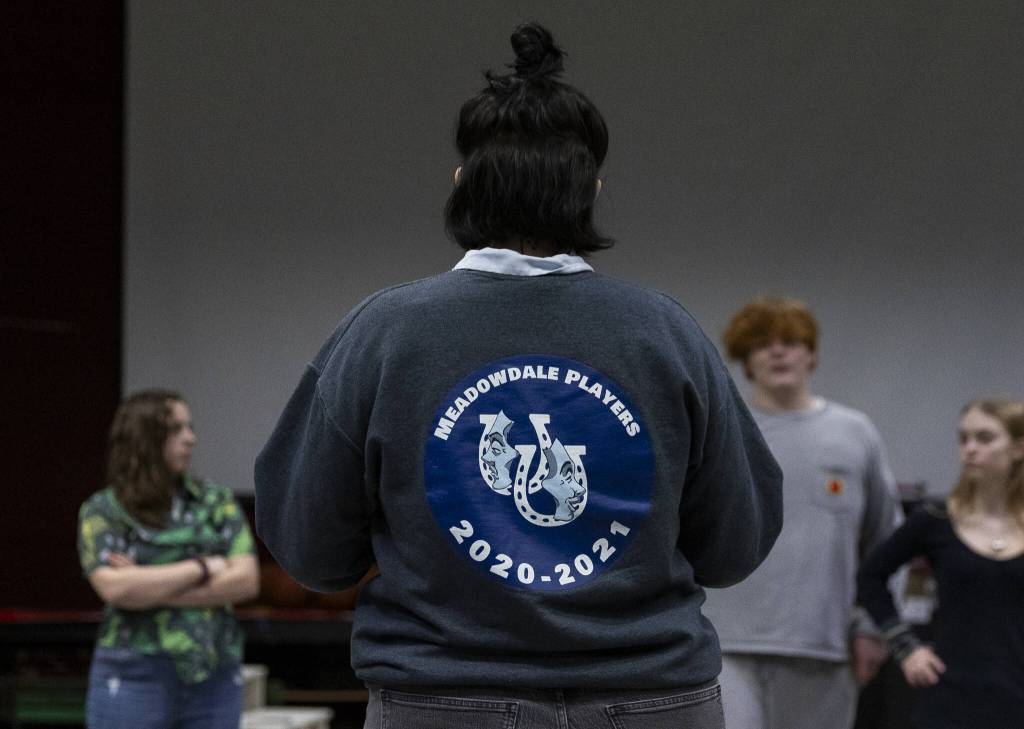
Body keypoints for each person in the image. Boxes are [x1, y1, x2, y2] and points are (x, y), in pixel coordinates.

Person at [254, 22, 782, 729]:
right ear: (590, 188)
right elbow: (736, 544)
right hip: (651, 697)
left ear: (461, 183)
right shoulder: (666, 332)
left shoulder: (382, 332)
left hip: (442, 698)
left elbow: (311, 547)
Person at [701, 297, 900, 729]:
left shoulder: (855, 434)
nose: (777, 352)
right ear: (745, 361)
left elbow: (888, 541)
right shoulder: (723, 432)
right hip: (724, 644)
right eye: (761, 344)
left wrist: (873, 627)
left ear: (811, 354)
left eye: (790, 342)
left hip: (824, 647)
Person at [77, 389, 259, 729]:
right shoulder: (104, 509)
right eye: (175, 430)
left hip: (213, 672)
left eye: (189, 427)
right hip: (133, 672)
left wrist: (147, 584)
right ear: (143, 438)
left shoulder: (214, 500)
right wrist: (202, 567)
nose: (190, 439)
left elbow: (246, 579)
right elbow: (115, 590)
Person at [857, 399, 1024, 729]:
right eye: (964, 439)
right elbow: (870, 576)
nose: (970, 449)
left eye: (985, 438)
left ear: (1019, 448)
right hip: (949, 694)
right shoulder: (936, 522)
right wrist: (906, 647)